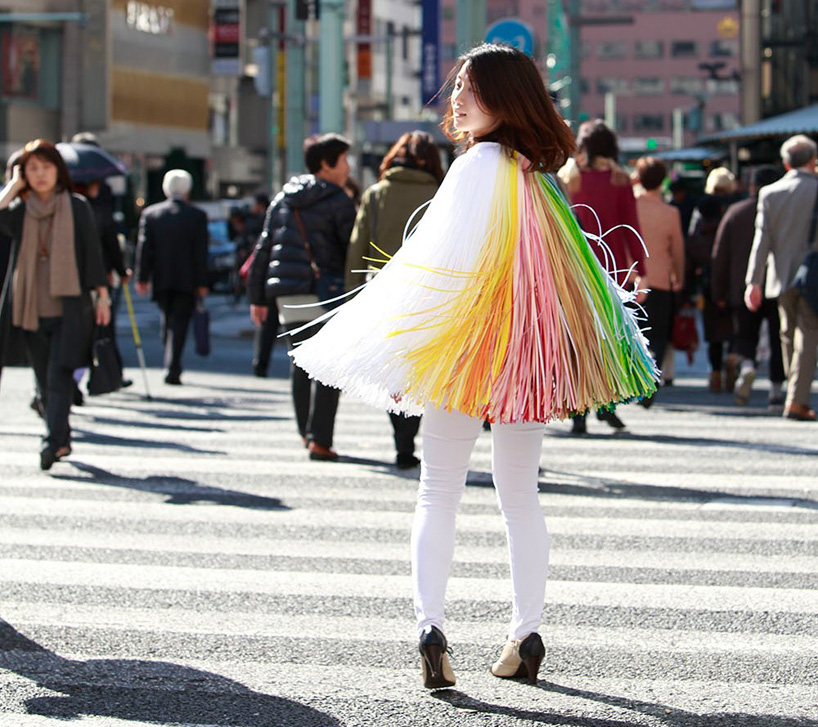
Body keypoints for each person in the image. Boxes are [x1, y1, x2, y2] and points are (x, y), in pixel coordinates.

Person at [286, 43, 657, 687]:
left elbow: (433, 271)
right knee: (521, 497)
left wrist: (400, 350)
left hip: (465, 352)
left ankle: (430, 629)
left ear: (505, 99)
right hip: (528, 355)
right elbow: (574, 274)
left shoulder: (473, 166)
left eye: (470, 87)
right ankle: (526, 634)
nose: (455, 98)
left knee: (439, 492)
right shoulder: (537, 176)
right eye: (457, 85)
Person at [0, 139, 110, 469]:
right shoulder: (21, 210)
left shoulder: (76, 206)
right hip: (30, 307)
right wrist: (14, 185)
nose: (40, 174)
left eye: (46, 167)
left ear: (58, 171)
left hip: (70, 307)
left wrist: (102, 296)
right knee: (42, 379)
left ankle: (51, 441)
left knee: (59, 375)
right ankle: (61, 437)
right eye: (32, 169)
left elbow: (92, 254)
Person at [247, 133, 356, 460]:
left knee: (301, 362)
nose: (348, 167)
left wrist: (257, 297)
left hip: (288, 291)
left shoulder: (284, 198)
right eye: (343, 160)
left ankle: (304, 433)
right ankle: (320, 439)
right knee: (329, 364)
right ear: (325, 164)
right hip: (326, 290)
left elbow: (263, 249)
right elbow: (351, 249)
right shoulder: (338, 199)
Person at [347, 131, 444, 469]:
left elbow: (358, 247)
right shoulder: (441, 194)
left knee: (394, 370)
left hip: (384, 292)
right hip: (431, 293)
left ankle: (403, 443)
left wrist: (351, 293)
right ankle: (425, 440)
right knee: (423, 368)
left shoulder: (376, 194)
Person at [558, 119, 646, 433]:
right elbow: (632, 228)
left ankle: (578, 413)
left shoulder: (568, 178)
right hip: (613, 271)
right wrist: (642, 272)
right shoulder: (620, 180)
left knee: (577, 342)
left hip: (573, 269)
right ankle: (606, 406)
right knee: (608, 340)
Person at [745, 135, 818, 421]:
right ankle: (797, 400)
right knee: (807, 335)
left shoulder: (770, 193)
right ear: (812, 160)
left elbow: (761, 240)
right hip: (813, 275)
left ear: (786, 164)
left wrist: (753, 281)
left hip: (781, 275)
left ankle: (794, 389)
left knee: (787, 334)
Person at [711, 166, 785, 408]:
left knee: (745, 336)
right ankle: (776, 391)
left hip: (741, 286)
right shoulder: (781, 211)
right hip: (777, 284)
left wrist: (718, 291)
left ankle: (748, 367)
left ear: (751, 187)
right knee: (778, 339)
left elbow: (720, 255)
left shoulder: (736, 212)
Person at [134, 170, 208, 385]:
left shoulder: (152, 214)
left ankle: (171, 361)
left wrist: (142, 277)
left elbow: (144, 249)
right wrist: (202, 282)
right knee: (180, 321)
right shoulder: (197, 216)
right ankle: (173, 364)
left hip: (162, 277)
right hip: (187, 278)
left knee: (167, 318)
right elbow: (201, 252)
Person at [633, 157, 685, 398]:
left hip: (632, 279)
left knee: (634, 332)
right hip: (661, 279)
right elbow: (677, 250)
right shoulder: (670, 212)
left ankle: (636, 380)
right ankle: (652, 379)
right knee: (659, 335)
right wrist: (678, 276)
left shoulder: (632, 205)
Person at [687, 167, 738, 393]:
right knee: (733, 326)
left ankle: (715, 374)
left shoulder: (702, 210)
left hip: (707, 278)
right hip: (733, 277)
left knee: (713, 331)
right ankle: (733, 359)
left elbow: (692, 242)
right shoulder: (734, 208)